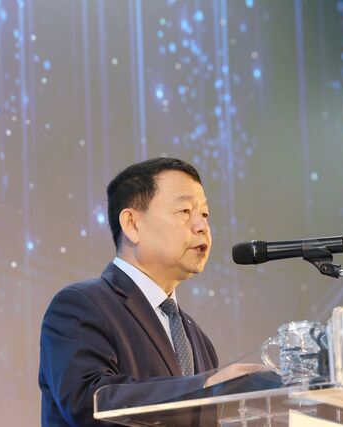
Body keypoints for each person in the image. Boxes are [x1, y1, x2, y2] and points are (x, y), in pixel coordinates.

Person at [39, 158, 261, 426]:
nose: (202, 226)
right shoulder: (81, 305)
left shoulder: (198, 338)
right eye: (185, 211)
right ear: (132, 224)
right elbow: (88, 402)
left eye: (204, 214)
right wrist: (204, 386)